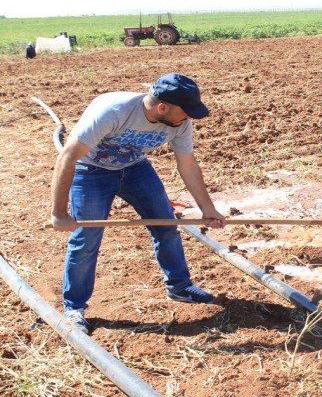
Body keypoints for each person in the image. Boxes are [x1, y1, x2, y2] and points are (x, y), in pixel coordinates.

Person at [50, 73, 226, 334]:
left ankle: (179, 286)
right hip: (91, 171)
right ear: (162, 108)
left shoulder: (179, 123)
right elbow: (67, 158)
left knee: (166, 225)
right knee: (86, 238)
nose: (188, 118)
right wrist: (59, 213)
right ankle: (74, 306)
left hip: (135, 168)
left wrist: (207, 208)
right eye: (185, 113)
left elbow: (187, 165)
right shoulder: (114, 112)